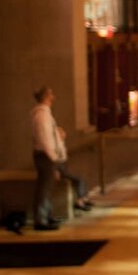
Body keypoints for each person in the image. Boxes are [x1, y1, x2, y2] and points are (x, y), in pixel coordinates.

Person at [31, 86, 92, 230]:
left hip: (47, 157)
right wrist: (54, 160)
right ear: (46, 96)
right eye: (51, 93)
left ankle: (47, 216)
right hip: (46, 157)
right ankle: (41, 220)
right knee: (44, 189)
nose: (54, 96)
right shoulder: (42, 116)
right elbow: (45, 139)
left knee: (46, 189)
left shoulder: (44, 114)